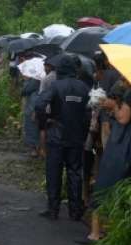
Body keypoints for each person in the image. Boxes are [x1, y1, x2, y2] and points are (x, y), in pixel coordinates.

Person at [36, 55, 91, 221]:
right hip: (76, 137)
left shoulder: (55, 86)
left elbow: (39, 104)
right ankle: (75, 211)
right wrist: (83, 129)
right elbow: (89, 112)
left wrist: (46, 122)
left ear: (60, 70)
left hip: (56, 135)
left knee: (54, 172)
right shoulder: (84, 87)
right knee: (75, 172)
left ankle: (53, 210)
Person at [85, 81, 131, 242]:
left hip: (118, 152)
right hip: (118, 150)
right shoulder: (128, 102)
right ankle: (100, 229)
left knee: (105, 186)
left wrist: (113, 108)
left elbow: (123, 119)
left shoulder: (129, 101)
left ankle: (96, 232)